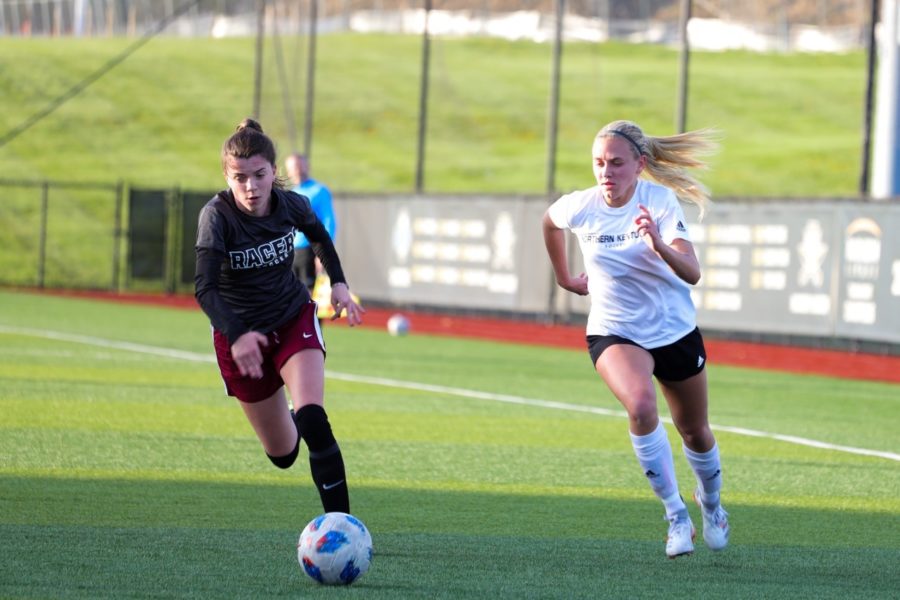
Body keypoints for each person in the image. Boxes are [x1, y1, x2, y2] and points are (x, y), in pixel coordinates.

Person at [542, 119, 729, 559]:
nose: (606, 172)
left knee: (695, 431)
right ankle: (676, 516)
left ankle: (713, 507)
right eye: (599, 163)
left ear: (639, 165)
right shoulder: (581, 205)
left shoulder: (660, 201)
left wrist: (658, 244)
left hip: (674, 330)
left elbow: (692, 272)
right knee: (642, 407)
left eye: (616, 163)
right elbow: (549, 224)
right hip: (614, 330)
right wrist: (565, 278)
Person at [195, 118, 364, 516]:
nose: (251, 187)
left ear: (274, 172)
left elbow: (319, 237)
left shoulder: (290, 203)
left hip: (292, 318)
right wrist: (237, 333)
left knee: (313, 420)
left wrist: (339, 283)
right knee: (284, 453)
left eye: (259, 175)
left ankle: (342, 526)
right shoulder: (216, 217)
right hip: (241, 340)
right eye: (240, 178)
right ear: (226, 176)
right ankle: (286, 421)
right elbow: (205, 288)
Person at [285, 152, 336, 290]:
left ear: (306, 167)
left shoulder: (319, 191)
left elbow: (329, 221)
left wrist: (324, 253)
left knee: (309, 294)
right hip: (291, 252)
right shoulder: (292, 193)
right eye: (292, 168)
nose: (296, 171)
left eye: (298, 166)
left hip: (310, 249)